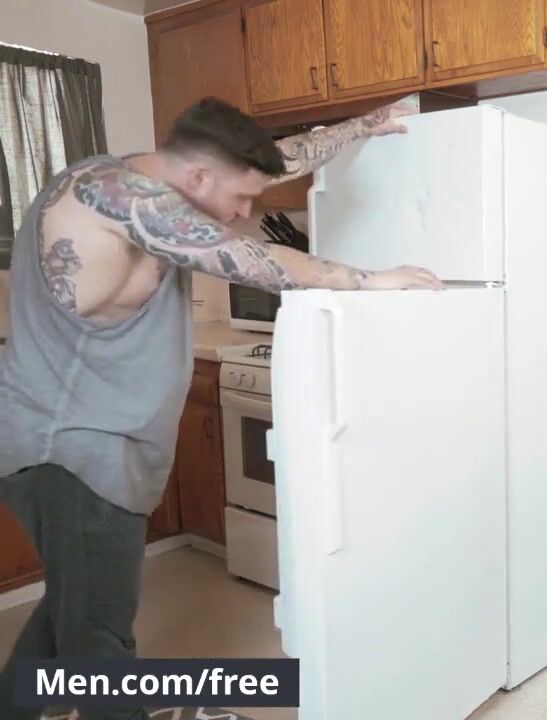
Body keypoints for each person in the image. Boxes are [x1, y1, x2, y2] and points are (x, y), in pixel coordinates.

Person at [0, 95, 441, 720]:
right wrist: (373, 280)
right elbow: (253, 260)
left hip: (84, 440)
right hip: (71, 450)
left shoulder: (163, 174)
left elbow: (278, 160)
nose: (246, 213)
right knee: (97, 641)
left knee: (71, 610)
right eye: (239, 200)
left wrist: (361, 126)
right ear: (200, 176)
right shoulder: (124, 200)